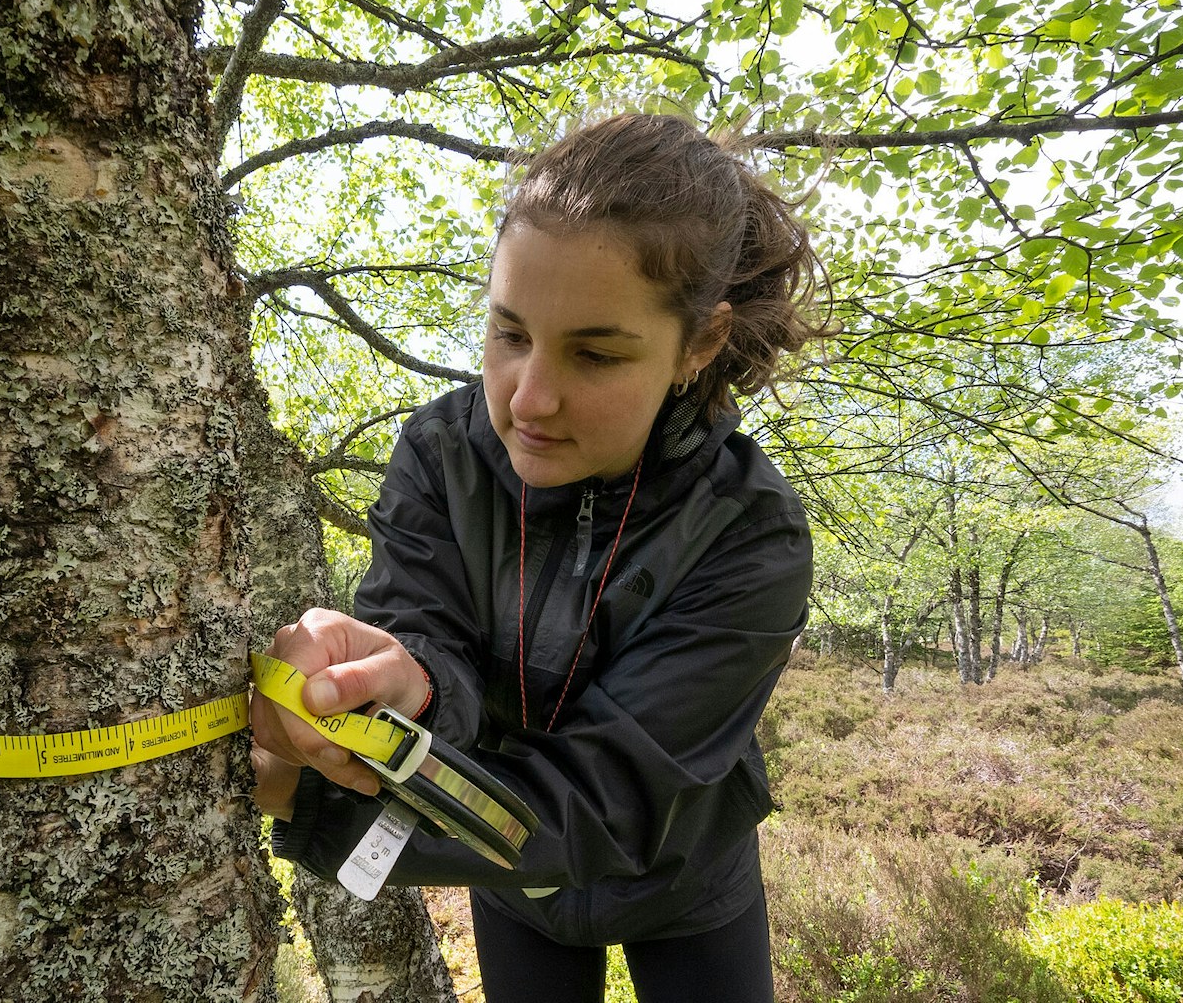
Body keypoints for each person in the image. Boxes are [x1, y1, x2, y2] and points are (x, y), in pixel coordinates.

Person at [250, 111, 830, 1003]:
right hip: (512, 888)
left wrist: (314, 802)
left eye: (596, 354)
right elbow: (422, 628)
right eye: (510, 334)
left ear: (701, 343)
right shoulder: (444, 454)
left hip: (686, 881)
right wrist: (408, 687)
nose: (529, 400)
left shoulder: (751, 536)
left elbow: (611, 798)